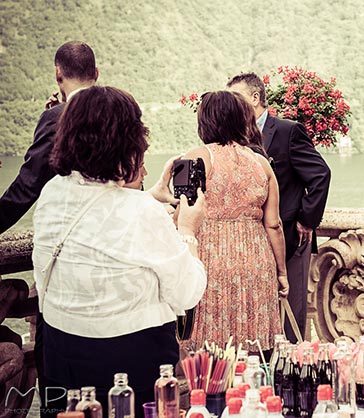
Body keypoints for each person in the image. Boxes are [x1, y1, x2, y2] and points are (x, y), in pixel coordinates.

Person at [31, 86, 207, 418]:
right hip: (131, 365)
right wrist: (187, 230)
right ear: (126, 143)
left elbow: (101, 217)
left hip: (59, 353)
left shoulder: (52, 193)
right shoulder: (141, 212)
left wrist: (149, 196)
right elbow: (187, 293)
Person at [181, 90, 289, 352]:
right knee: (252, 347)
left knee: (209, 346)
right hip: (255, 260)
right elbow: (274, 224)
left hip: (210, 259)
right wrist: (281, 272)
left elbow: (181, 214)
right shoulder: (261, 163)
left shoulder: (194, 158)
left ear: (204, 121)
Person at [227, 73, 331, 342]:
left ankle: (295, 374)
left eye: (236, 98)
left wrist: (306, 220)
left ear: (255, 97)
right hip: (252, 241)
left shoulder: (287, 131)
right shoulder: (236, 138)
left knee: (291, 313)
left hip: (291, 237)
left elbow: (320, 174)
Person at [0, 41, 98, 233]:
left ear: (58, 73)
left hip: (77, 231)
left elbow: (28, 186)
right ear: (96, 73)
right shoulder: (123, 107)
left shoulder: (55, 118)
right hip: (117, 226)